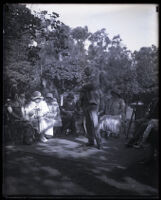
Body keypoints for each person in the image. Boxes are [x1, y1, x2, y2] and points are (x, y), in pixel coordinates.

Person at [80, 67, 102, 149]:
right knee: (88, 124)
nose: (86, 73)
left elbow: (92, 86)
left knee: (94, 124)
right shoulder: (86, 80)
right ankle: (91, 141)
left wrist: (83, 86)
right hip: (86, 104)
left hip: (93, 104)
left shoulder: (94, 78)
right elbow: (82, 90)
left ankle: (99, 142)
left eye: (87, 71)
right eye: (85, 71)